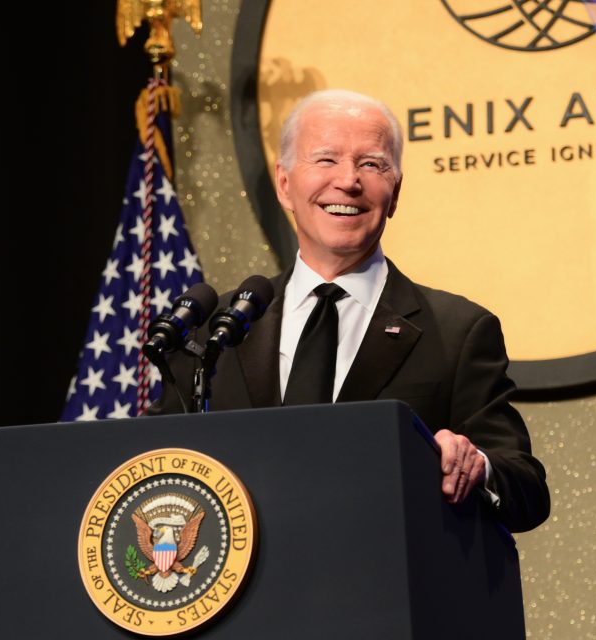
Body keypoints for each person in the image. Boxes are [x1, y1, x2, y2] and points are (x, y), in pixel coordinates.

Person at [148, 89, 550, 533]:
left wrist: (478, 466)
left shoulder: (458, 330)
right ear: (284, 183)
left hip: (384, 592)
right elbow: (153, 466)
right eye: (325, 160)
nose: (348, 181)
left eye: (372, 164)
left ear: (395, 192)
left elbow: (526, 490)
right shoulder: (215, 331)